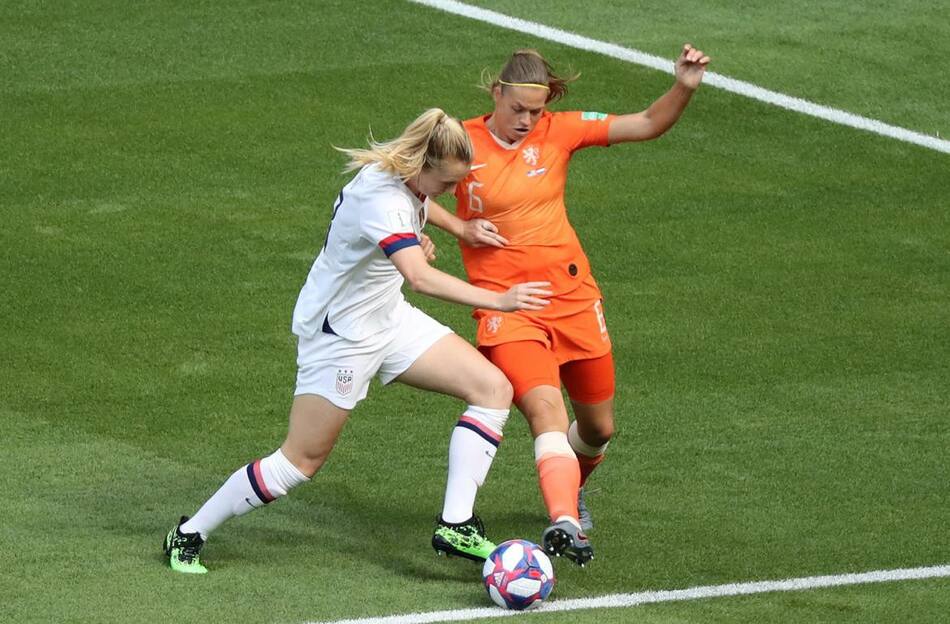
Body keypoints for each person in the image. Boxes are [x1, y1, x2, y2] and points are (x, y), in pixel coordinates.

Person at [163, 108, 552, 573]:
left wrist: (456, 228)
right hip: (342, 338)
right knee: (300, 461)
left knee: (492, 388)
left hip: (388, 318)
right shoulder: (382, 200)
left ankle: (456, 525)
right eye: (447, 182)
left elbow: (421, 207)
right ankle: (189, 533)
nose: (452, 191)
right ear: (420, 166)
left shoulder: (406, 179)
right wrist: (500, 300)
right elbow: (420, 278)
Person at [426, 45, 710, 566]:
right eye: (517, 109)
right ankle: (564, 521)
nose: (526, 120)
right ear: (497, 94)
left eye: (535, 111)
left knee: (599, 429)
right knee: (547, 411)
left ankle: (570, 487)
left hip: (575, 300)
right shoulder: (461, 141)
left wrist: (683, 86)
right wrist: (459, 227)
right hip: (508, 310)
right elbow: (408, 187)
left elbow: (647, 123)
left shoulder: (560, 131)